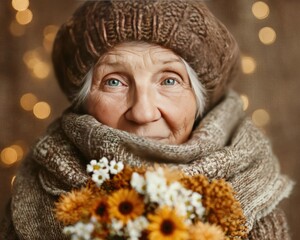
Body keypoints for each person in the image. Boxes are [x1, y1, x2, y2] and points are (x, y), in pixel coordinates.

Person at [0, 0, 293, 239]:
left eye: (169, 81)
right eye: (114, 82)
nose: (142, 113)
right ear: (84, 103)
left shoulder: (254, 197)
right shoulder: (34, 197)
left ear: (199, 103)